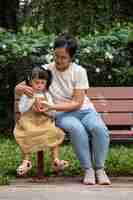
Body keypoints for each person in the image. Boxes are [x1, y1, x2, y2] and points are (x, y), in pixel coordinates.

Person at [15, 33, 111, 185]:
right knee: (76, 129)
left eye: (63, 57)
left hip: (84, 110)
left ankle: (99, 169)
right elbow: (22, 85)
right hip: (63, 114)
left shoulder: (79, 71)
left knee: (98, 128)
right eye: (56, 56)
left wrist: (52, 106)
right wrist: (19, 88)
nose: (58, 60)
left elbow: (78, 102)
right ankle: (88, 170)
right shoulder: (46, 70)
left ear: (71, 57)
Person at [14, 66, 68, 176]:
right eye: (36, 82)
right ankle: (26, 161)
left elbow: (53, 112)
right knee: (27, 134)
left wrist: (46, 109)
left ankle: (56, 160)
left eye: (42, 83)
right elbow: (22, 109)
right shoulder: (27, 94)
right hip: (29, 121)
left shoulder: (47, 95)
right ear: (30, 82)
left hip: (44, 121)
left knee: (53, 132)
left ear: (46, 83)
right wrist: (31, 100)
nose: (39, 85)